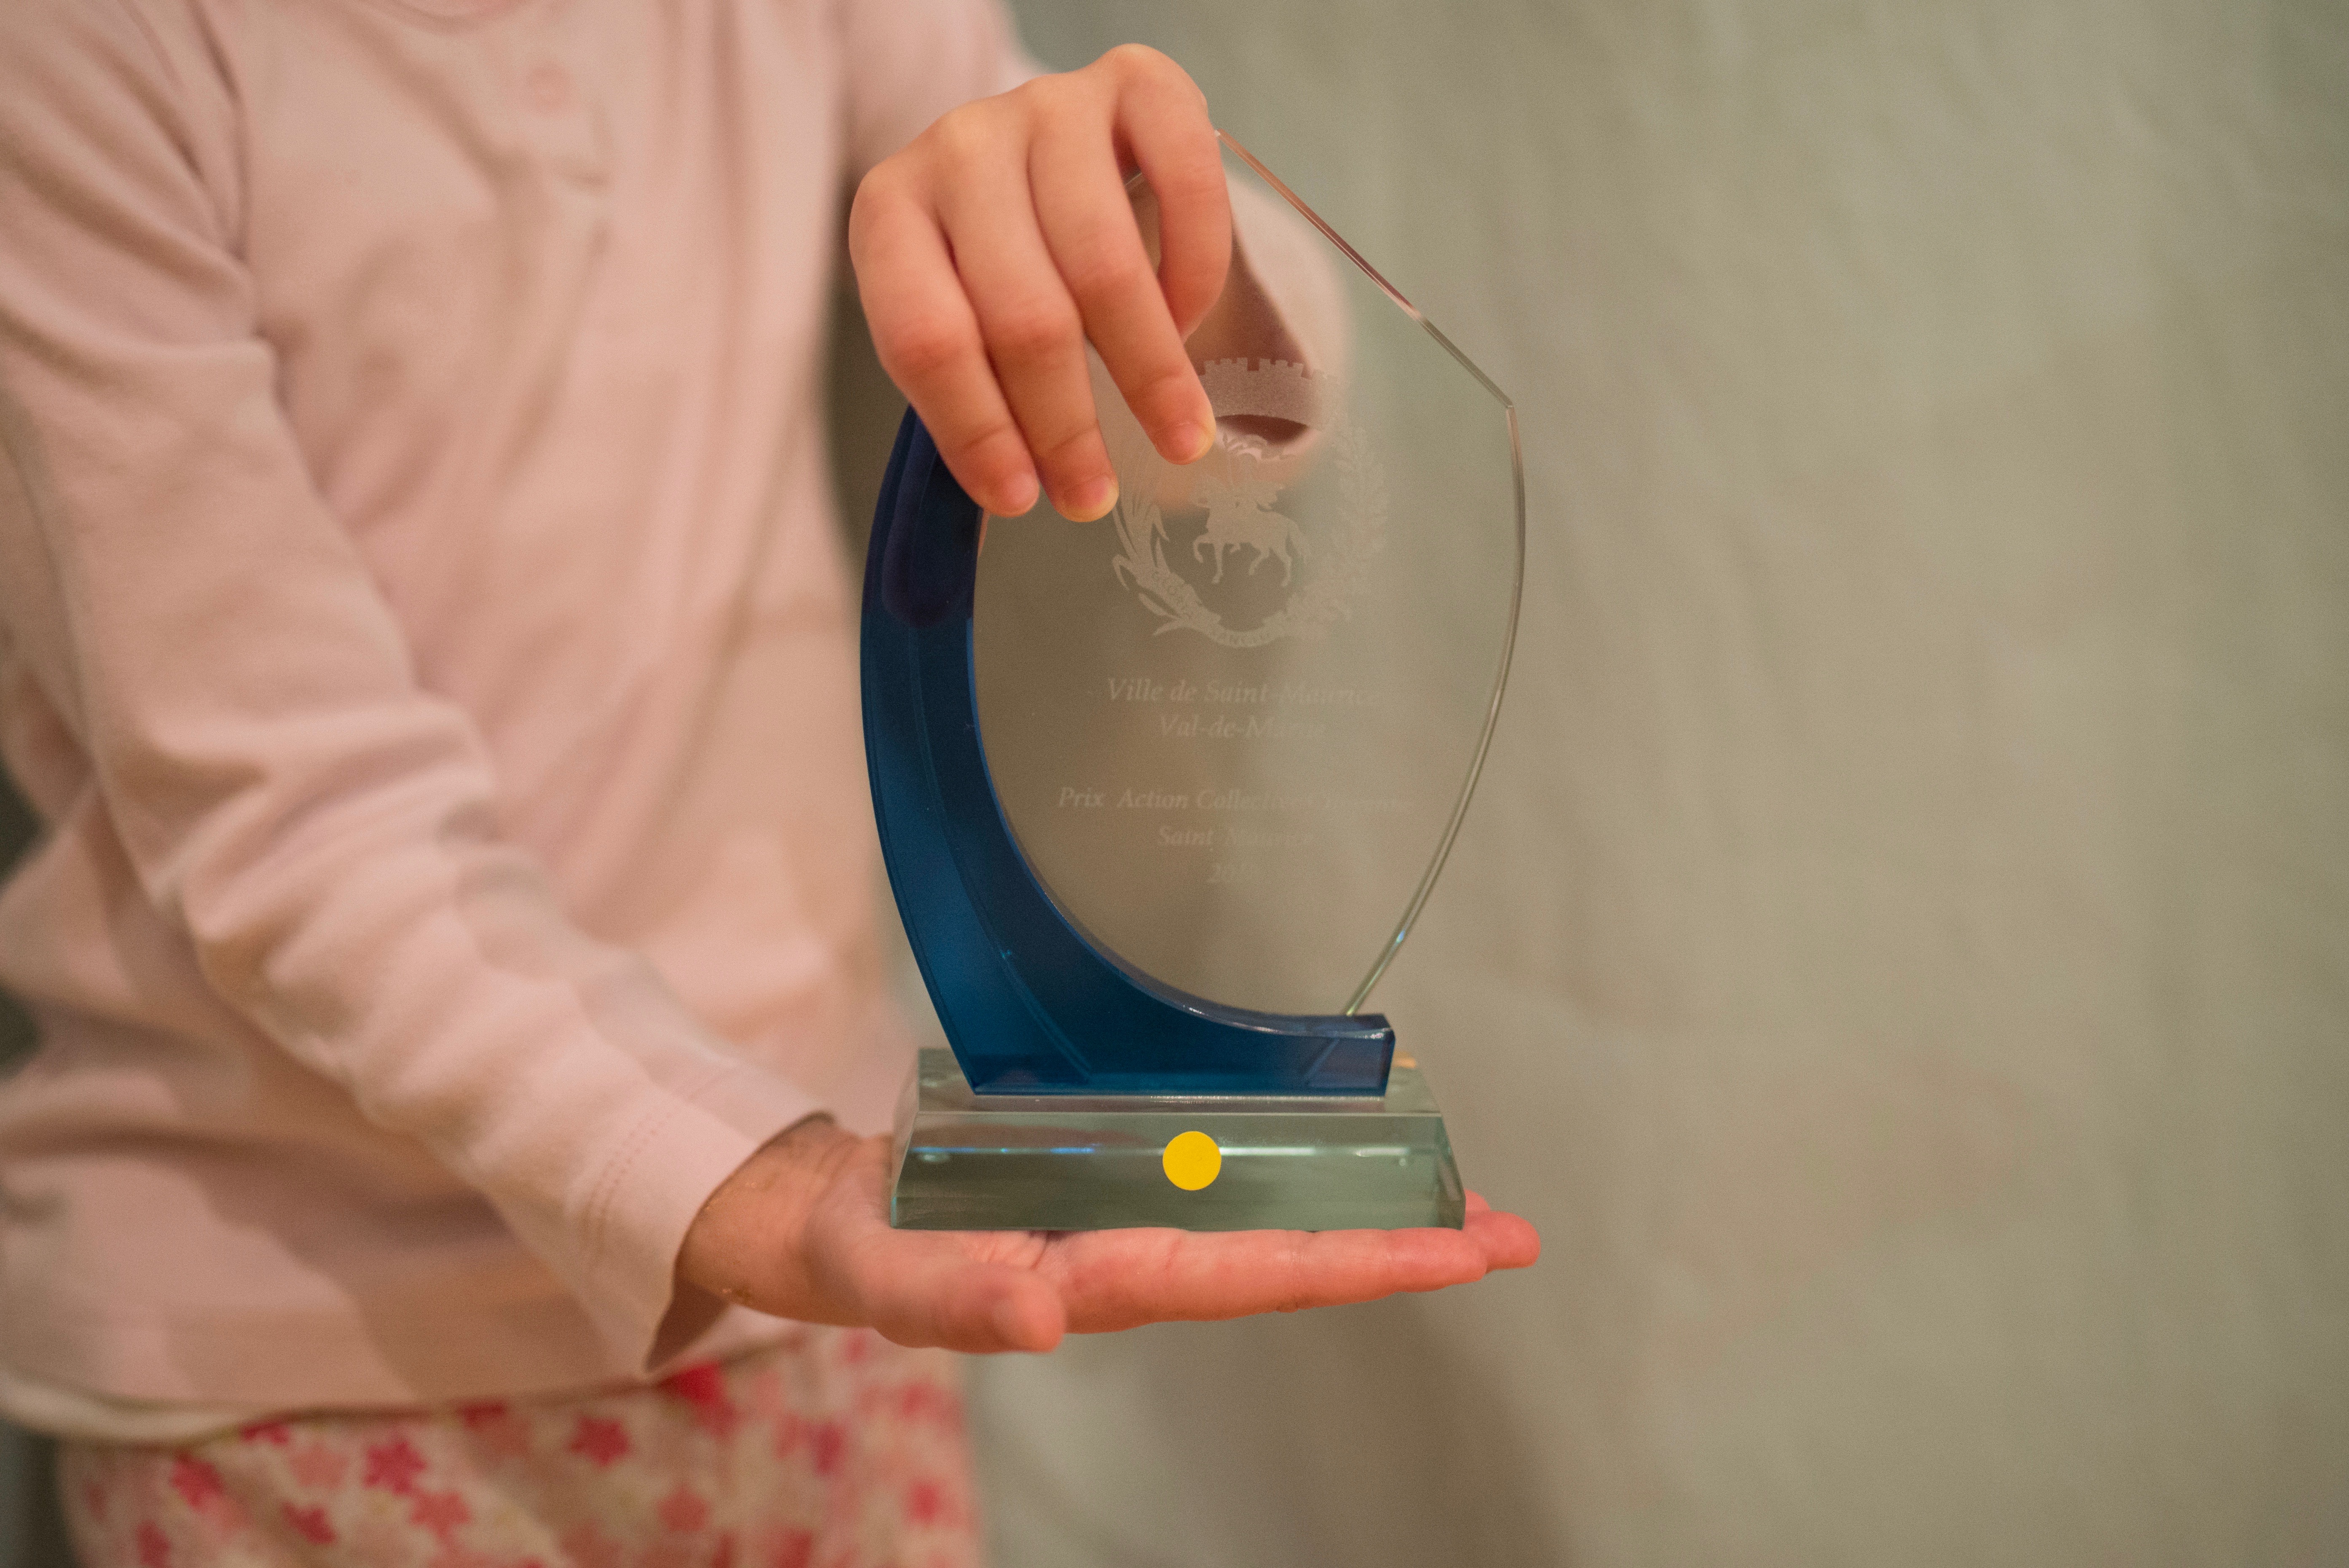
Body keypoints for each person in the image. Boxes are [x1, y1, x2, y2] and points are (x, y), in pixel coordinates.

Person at [0, 0, 1539, 1561]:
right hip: (301, 1365)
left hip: (830, 1302)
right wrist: (776, 1191)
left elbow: (1265, 394)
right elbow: (291, 812)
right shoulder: (72, 60)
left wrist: (1128, 221)